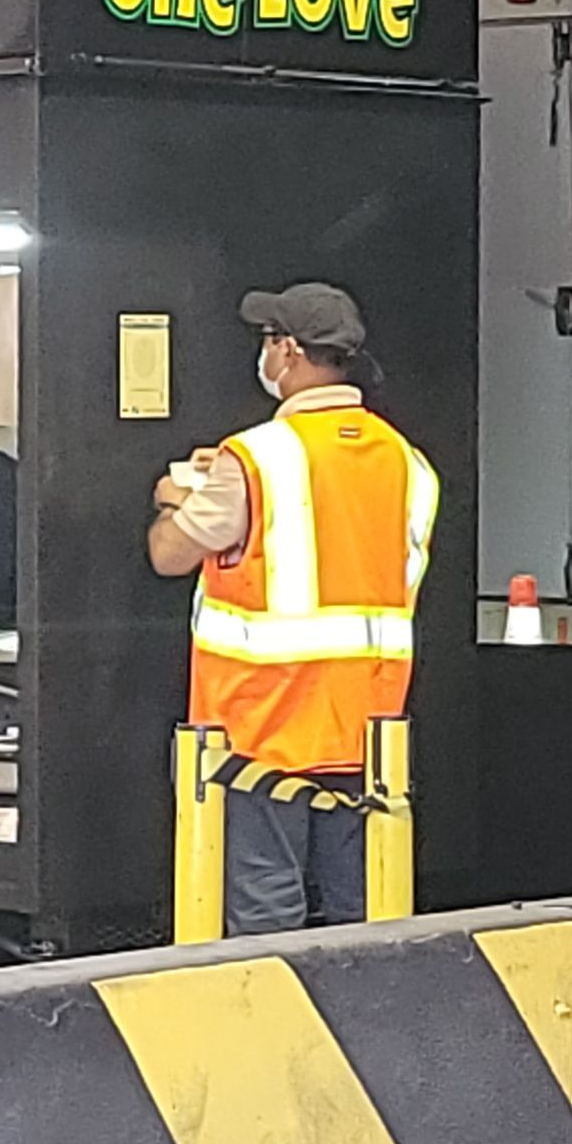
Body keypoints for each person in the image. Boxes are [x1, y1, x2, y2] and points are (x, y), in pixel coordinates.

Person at [147, 282, 438, 934]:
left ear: (290, 352)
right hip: (368, 726)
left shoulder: (254, 458)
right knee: (363, 911)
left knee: (264, 909)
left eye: (269, 342)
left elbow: (170, 554)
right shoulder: (408, 462)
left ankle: (275, 1032)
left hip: (261, 723)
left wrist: (173, 496)